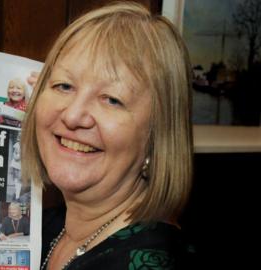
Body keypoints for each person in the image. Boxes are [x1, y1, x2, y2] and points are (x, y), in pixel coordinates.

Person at [21, 2, 193, 269]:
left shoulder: (153, 260)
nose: (73, 116)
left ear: (156, 136)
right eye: (64, 85)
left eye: (112, 99)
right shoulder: (44, 227)